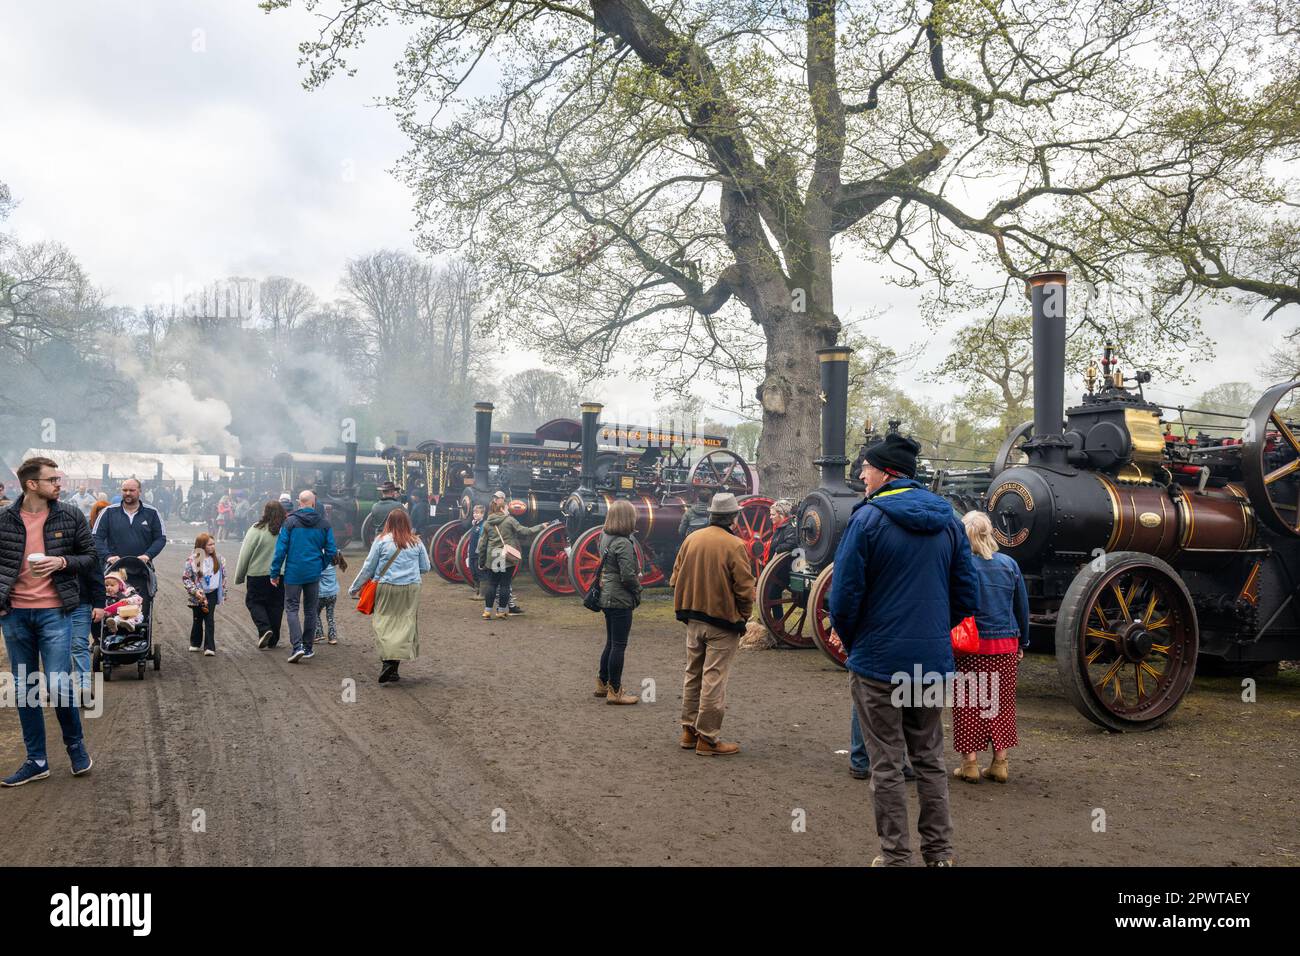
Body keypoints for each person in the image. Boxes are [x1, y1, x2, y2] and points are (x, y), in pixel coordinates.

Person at [827, 433, 979, 867]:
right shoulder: (951, 521)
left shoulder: (867, 519)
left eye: (867, 468)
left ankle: (896, 858)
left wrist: (857, 639)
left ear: (887, 473)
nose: (860, 474)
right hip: (929, 664)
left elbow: (844, 598)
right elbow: (966, 596)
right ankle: (940, 856)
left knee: (887, 765)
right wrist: (931, 633)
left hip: (878, 664)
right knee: (930, 760)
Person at [0, 457, 96, 786]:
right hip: (15, 615)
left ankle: (75, 747)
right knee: (24, 689)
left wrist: (61, 561)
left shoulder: (70, 515)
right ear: (32, 485)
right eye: (52, 479)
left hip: (56, 612)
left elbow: (91, 557)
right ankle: (36, 760)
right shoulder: (4, 519)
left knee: (58, 685)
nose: (59, 483)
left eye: (58, 478)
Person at [669, 492, 756, 756]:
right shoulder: (735, 545)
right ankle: (707, 738)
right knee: (714, 678)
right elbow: (744, 588)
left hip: (693, 618)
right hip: (722, 622)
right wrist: (744, 615)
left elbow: (674, 578)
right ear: (733, 517)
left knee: (692, 673)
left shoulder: (691, 540)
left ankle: (688, 730)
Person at [953, 511, 1029, 785]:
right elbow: (1021, 607)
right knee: (1001, 705)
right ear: (989, 534)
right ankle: (1000, 763)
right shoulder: (1009, 564)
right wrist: (1023, 642)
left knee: (968, 704)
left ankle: (970, 763)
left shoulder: (961, 567)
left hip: (969, 647)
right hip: (1005, 645)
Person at [349, 508, 431, 683]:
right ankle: (393, 668)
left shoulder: (380, 541)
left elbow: (368, 567)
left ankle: (388, 662)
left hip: (387, 586)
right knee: (405, 624)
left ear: (388, 523)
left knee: (384, 623)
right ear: (407, 523)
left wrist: (354, 588)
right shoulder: (417, 542)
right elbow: (425, 567)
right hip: (410, 588)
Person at [270, 490, 338, 663]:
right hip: (313, 573)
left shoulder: (290, 522)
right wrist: (320, 565)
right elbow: (331, 550)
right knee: (310, 610)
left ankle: (297, 646)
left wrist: (275, 572)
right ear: (314, 503)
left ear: (299, 503)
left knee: (292, 608)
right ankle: (307, 648)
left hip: (293, 572)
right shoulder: (324, 523)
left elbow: (280, 550)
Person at [595, 499, 642, 705]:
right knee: (619, 645)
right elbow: (628, 576)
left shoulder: (604, 537)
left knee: (610, 642)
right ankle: (615, 691)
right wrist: (638, 590)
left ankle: (602, 683)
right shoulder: (623, 543)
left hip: (606, 596)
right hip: (620, 598)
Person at [475, 497, 546, 620]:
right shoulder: (509, 520)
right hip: (506, 557)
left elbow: (482, 545)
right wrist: (541, 526)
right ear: (502, 508)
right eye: (507, 508)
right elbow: (525, 531)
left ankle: (487, 612)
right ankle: (501, 611)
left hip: (493, 557)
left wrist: (481, 562)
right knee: (505, 585)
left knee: (492, 584)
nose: (508, 510)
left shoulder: (487, 523)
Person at [235, 500, 287, 649]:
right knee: (276, 605)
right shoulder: (285, 531)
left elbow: (245, 554)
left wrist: (239, 576)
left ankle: (265, 629)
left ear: (265, 512)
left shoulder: (255, 529)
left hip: (256, 574)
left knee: (254, 602)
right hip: (279, 575)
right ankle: (273, 639)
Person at [92, 478, 167, 568]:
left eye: (132, 490)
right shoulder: (108, 512)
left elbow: (160, 538)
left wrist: (148, 555)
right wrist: (107, 556)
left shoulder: (152, 513)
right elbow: (96, 537)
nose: (128, 493)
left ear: (140, 491)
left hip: (142, 568)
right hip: (114, 567)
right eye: (125, 490)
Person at [183, 533, 224, 655]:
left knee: (209, 617)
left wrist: (223, 592)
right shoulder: (192, 560)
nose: (213, 547)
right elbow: (186, 578)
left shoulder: (219, 559)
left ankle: (209, 647)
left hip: (212, 593)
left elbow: (223, 576)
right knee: (197, 618)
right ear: (202, 546)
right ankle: (195, 643)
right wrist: (195, 591)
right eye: (209, 544)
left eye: (213, 544)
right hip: (197, 594)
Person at [316, 552, 347, 646]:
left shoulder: (321, 566)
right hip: (333, 593)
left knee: (314, 613)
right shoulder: (333, 564)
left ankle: (318, 634)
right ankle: (332, 637)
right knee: (330, 615)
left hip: (321, 594)